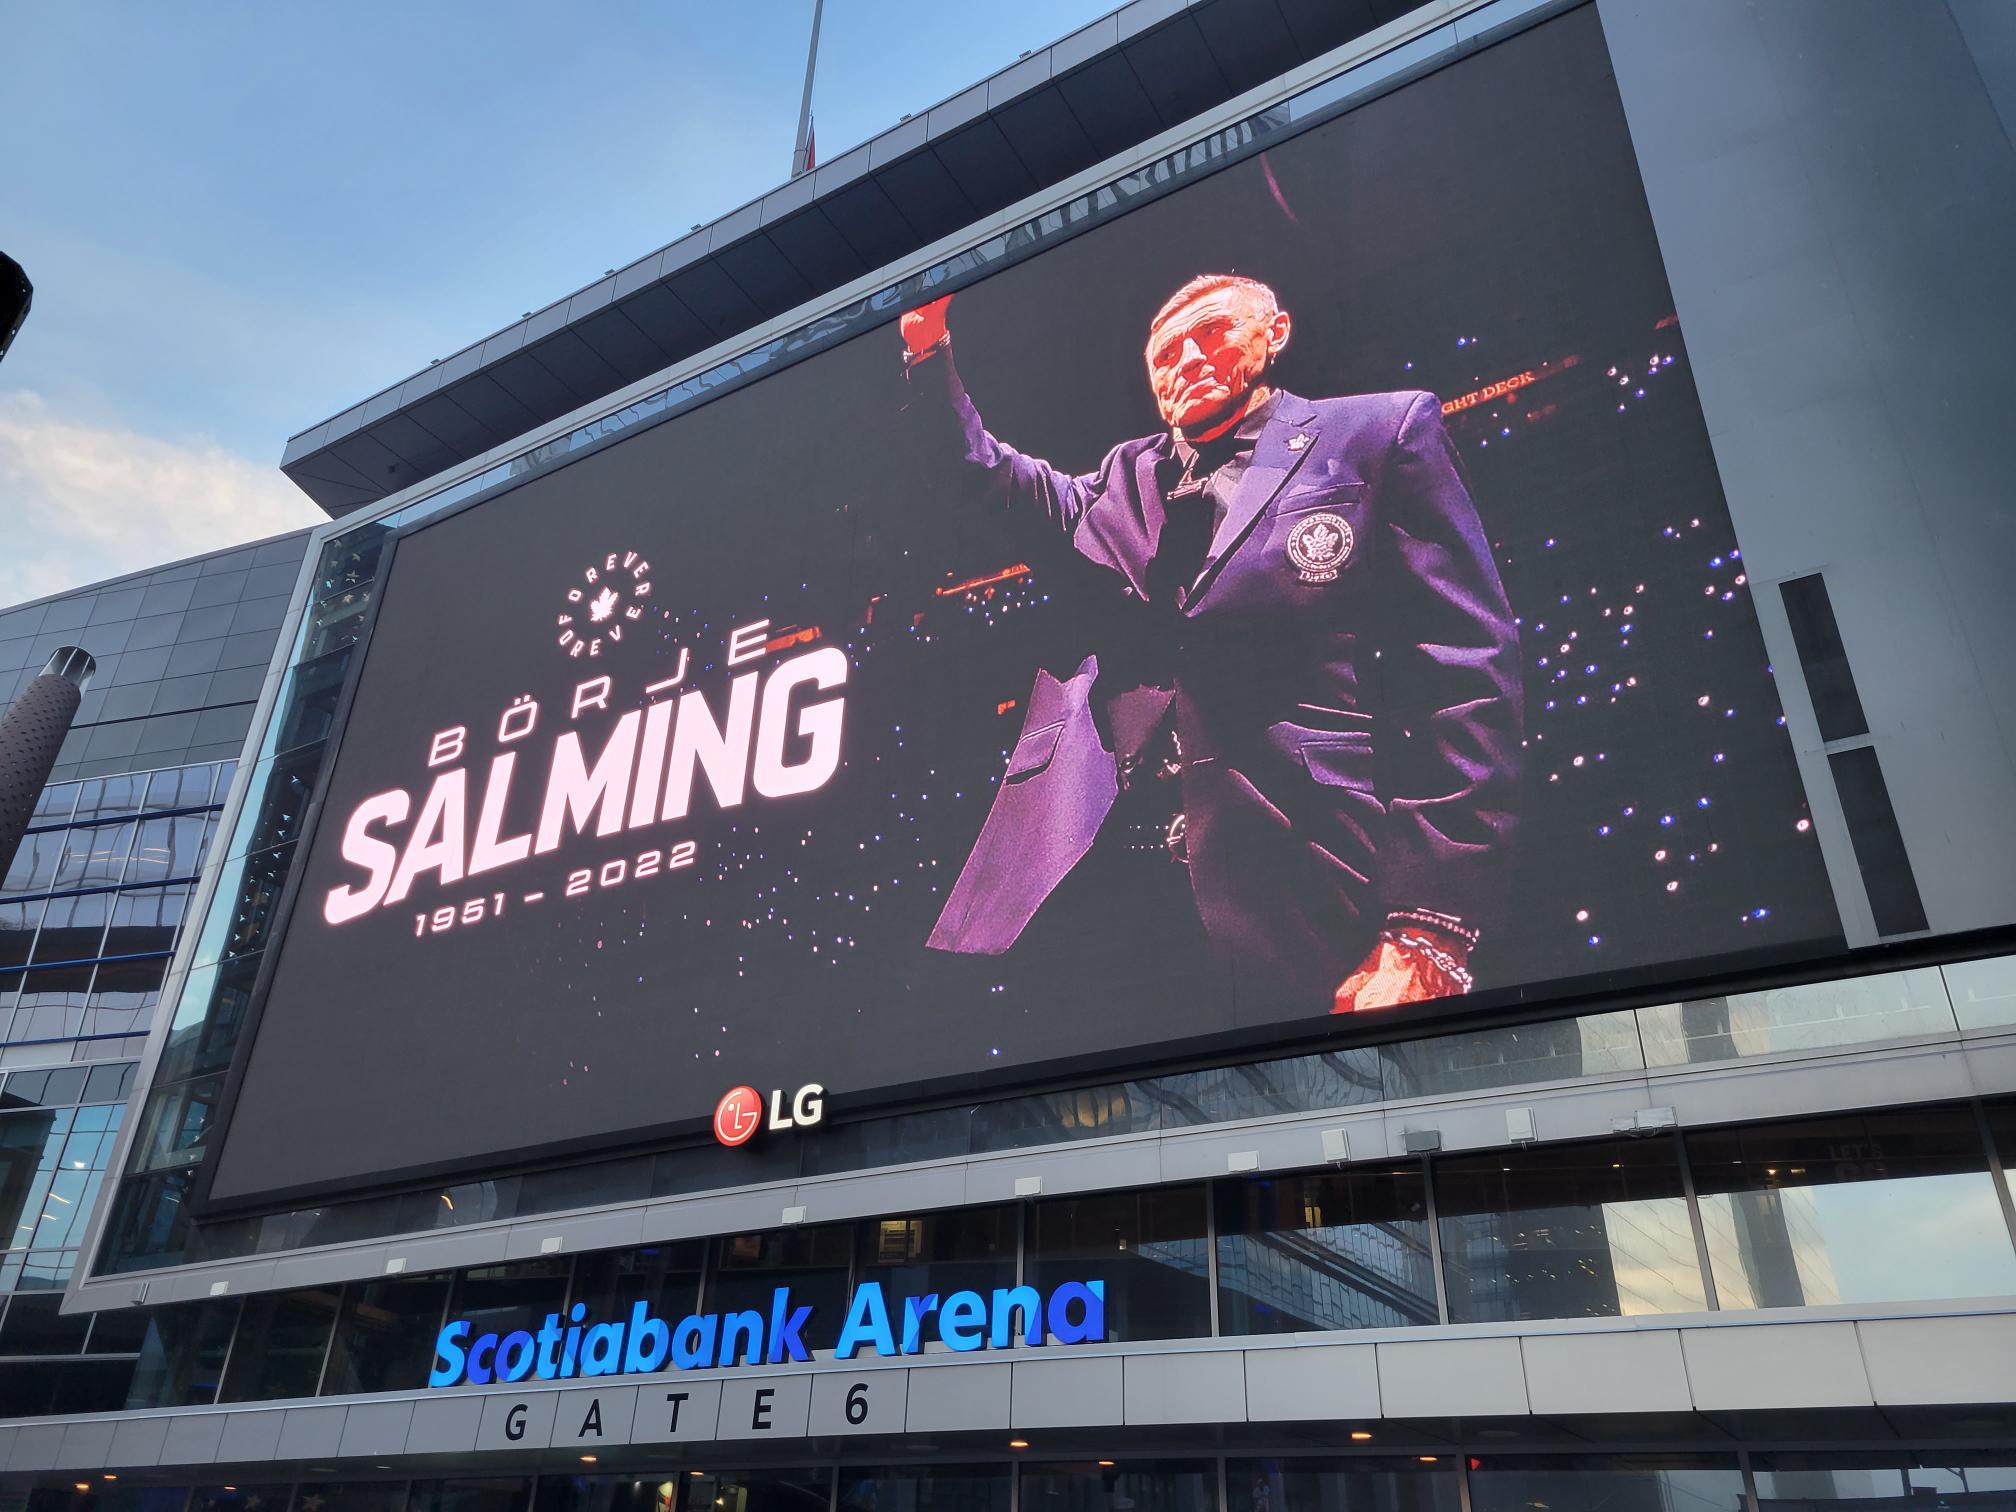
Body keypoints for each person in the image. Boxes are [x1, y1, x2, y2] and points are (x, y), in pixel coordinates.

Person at [902, 275, 1522, 1014]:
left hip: (1316, 870)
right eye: (1165, 353)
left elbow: (1463, 668)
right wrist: (926, 347)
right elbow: (979, 469)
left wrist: (1431, 925)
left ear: (1275, 333)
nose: (1187, 359)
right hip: (1119, 900)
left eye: (1212, 333)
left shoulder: (1376, 432)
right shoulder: (1118, 484)